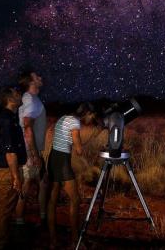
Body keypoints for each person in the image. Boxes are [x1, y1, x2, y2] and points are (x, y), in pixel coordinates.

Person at [47, 102, 98, 248]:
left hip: (53, 159)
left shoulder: (64, 118)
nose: (91, 120)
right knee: (75, 200)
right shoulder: (75, 122)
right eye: (91, 116)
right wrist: (92, 137)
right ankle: (75, 240)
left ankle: (53, 241)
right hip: (62, 161)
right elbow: (79, 150)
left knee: (52, 201)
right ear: (87, 113)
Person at [0, 85, 27, 250]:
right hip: (7, 170)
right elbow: (9, 151)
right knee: (4, 210)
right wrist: (16, 177)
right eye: (17, 93)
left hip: (7, 169)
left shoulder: (9, 117)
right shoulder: (6, 119)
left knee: (5, 209)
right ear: (10, 99)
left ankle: (1, 241)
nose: (20, 95)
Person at [14, 69, 48, 225]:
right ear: (30, 82)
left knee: (42, 181)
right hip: (29, 150)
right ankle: (19, 223)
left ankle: (42, 216)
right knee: (26, 186)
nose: (40, 77)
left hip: (31, 149)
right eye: (36, 76)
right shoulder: (31, 100)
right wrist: (34, 155)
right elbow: (27, 127)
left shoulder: (31, 99)